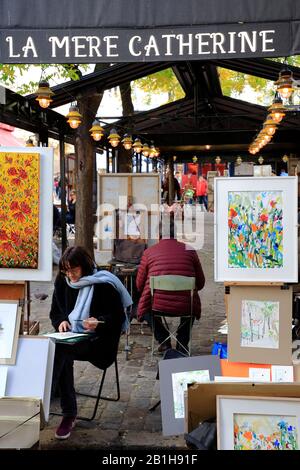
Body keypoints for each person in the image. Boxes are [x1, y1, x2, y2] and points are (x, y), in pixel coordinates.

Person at [49, 246, 132, 440]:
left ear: (84, 267)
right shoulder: (63, 281)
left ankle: (64, 411)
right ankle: (59, 404)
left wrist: (98, 322)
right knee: (54, 348)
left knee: (60, 352)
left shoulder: (103, 284)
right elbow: (55, 311)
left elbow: (117, 317)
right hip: (70, 337)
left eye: (74, 270)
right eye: (66, 271)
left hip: (98, 342)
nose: (70, 275)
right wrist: (60, 321)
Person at [136, 216, 205, 354]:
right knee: (191, 301)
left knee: (144, 306)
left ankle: (164, 341)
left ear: (159, 235)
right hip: (185, 305)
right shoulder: (190, 251)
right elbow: (201, 283)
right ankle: (182, 343)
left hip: (158, 305)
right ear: (176, 234)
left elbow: (139, 285)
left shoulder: (149, 253)